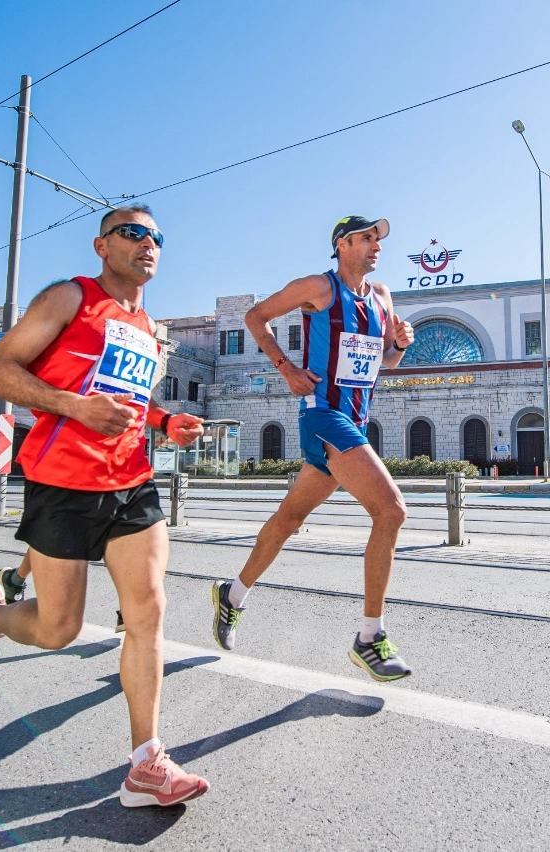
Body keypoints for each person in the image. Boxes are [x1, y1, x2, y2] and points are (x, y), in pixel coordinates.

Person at [0, 203, 209, 808]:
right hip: (62, 482)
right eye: (133, 233)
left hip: (131, 482)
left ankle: (146, 764)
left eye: (157, 237)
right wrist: (72, 407)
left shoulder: (147, 326)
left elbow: (126, 400)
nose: (148, 244)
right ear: (102, 246)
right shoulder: (70, 297)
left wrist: (165, 419)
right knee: (58, 628)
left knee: (147, 613)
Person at [210, 215, 416, 682]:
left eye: (377, 239)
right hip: (323, 415)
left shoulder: (382, 297)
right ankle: (369, 638)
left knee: (290, 519)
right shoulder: (317, 288)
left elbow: (384, 360)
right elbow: (254, 317)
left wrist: (399, 346)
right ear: (342, 244)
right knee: (391, 511)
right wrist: (285, 368)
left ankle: (232, 596)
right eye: (366, 238)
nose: (376, 245)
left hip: (356, 418)